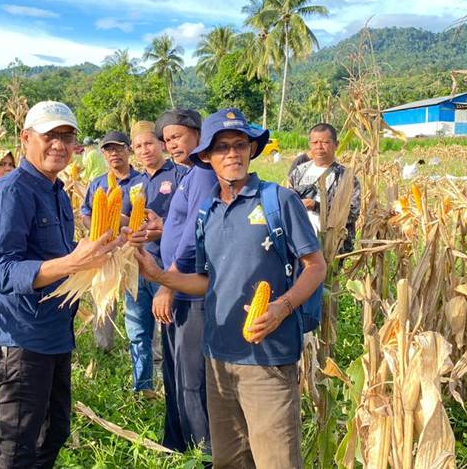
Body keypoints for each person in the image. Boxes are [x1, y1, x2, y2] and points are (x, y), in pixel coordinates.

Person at [136, 108, 327, 468]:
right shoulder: (208, 212)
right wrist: (159, 277)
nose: (233, 154)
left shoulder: (277, 201)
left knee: (277, 460)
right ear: (206, 157)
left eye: (240, 144)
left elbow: (316, 266)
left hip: (266, 359)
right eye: (221, 148)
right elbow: (208, 281)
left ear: (252, 149)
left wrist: (282, 307)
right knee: (229, 460)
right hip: (218, 359)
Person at [0, 100, 124, 468]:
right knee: (17, 447)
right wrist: (72, 261)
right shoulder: (12, 191)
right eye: (50, 136)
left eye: (67, 136)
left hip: (55, 335)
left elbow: (62, 259)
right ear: (26, 138)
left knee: (54, 430)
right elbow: (3, 271)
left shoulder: (57, 192)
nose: (59, 145)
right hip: (21, 338)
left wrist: (106, 249)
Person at [153, 108, 216, 456]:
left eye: (177, 136)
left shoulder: (204, 175)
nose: (171, 145)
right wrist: (159, 227)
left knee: (192, 379)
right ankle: (178, 445)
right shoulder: (189, 175)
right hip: (179, 287)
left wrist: (168, 284)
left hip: (189, 292)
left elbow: (195, 237)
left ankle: (203, 453)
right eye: (167, 140)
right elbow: (181, 226)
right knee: (177, 372)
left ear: (198, 133)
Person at [125, 120, 187, 398]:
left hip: (169, 267)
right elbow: (127, 220)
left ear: (161, 144)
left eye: (149, 143)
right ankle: (144, 388)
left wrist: (161, 228)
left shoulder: (180, 176)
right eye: (138, 146)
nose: (144, 150)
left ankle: (176, 390)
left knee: (172, 332)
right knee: (138, 330)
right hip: (137, 265)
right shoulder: (134, 183)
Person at [80, 130, 142, 351]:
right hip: (104, 250)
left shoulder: (142, 182)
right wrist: (97, 231)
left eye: (118, 148)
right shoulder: (97, 184)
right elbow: (86, 212)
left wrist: (122, 221)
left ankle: (146, 351)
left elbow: (147, 215)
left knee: (137, 299)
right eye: (108, 149)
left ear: (129, 150)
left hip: (133, 250)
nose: (114, 153)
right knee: (103, 300)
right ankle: (103, 348)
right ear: (104, 155)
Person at [287, 123, 361, 253]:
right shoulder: (299, 172)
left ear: (336, 144)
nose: (319, 147)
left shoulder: (346, 177)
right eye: (315, 142)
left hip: (331, 247)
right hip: (299, 244)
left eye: (325, 142)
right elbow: (286, 202)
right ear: (310, 144)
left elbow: (352, 213)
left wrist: (316, 206)